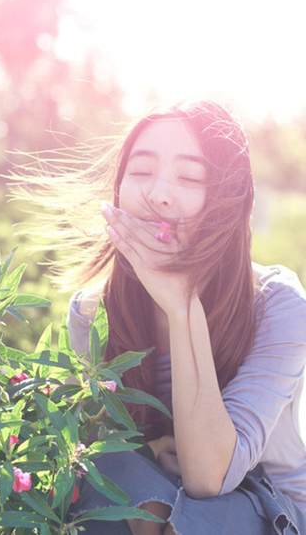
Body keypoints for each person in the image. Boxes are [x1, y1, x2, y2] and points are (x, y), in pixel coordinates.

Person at [16, 101, 306, 534]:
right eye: (140, 172)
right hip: (150, 493)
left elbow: (209, 477)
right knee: (109, 494)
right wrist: (151, 447)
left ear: (228, 202)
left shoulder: (277, 304)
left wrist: (180, 302)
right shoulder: (93, 312)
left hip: (265, 500)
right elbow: (98, 447)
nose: (158, 194)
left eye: (190, 177)